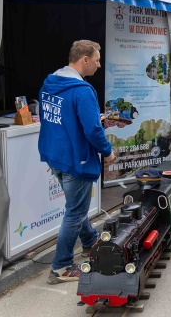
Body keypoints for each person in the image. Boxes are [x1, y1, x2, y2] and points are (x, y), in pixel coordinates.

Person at [39, 40, 115, 284]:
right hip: (76, 159)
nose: (99, 65)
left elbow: (52, 120)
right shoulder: (82, 91)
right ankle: (60, 267)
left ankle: (90, 241)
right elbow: (92, 130)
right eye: (97, 59)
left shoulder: (50, 83)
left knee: (76, 205)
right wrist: (107, 152)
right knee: (75, 212)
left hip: (56, 157)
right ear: (84, 59)